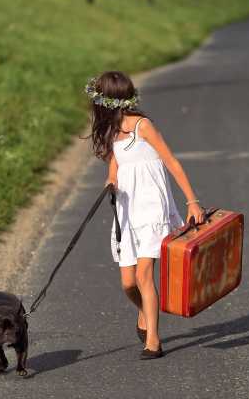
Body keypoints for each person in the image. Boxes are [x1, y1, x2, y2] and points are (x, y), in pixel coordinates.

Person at [85, 70, 205, 359]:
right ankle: (144, 311)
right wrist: (111, 180)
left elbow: (171, 162)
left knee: (143, 275)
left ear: (108, 101)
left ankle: (153, 340)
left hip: (152, 206)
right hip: (127, 210)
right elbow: (115, 163)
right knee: (128, 283)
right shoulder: (112, 131)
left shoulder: (143, 126)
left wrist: (192, 202)